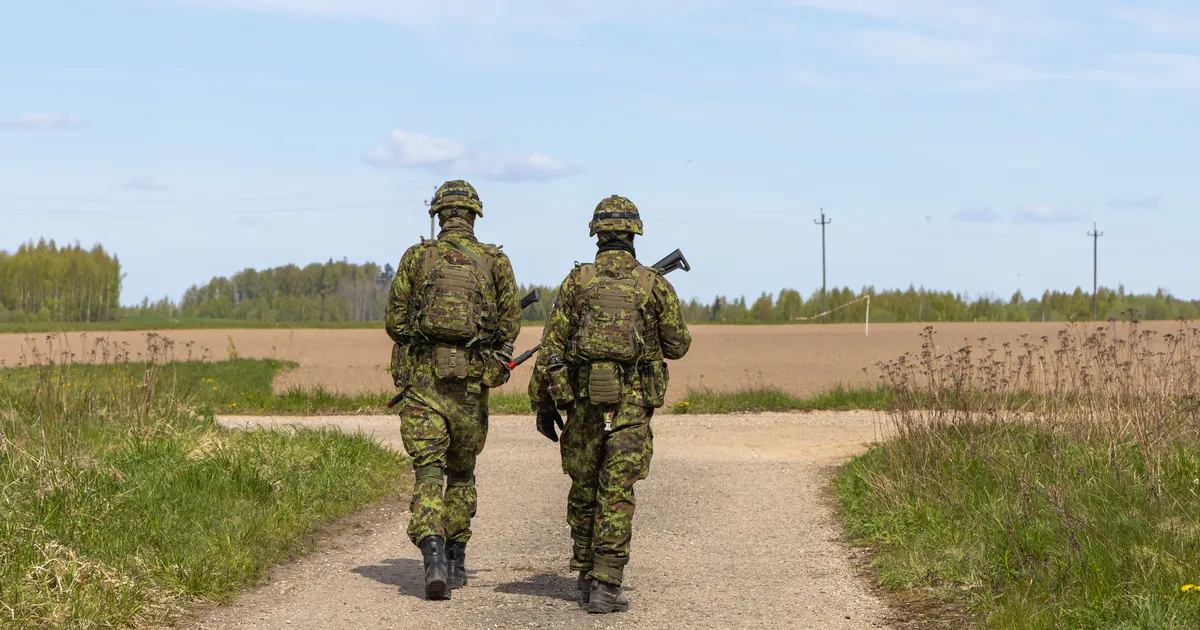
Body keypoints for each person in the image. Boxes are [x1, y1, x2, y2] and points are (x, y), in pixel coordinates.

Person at [527, 195, 692, 614]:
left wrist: (543, 406)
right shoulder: (654, 285)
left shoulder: (577, 283)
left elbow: (551, 349)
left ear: (596, 233)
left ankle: (584, 576)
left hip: (582, 404)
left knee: (584, 488)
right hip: (631, 407)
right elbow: (678, 346)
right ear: (635, 232)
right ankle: (606, 584)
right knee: (616, 491)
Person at [385, 180, 520, 600]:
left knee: (428, 469)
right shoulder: (496, 261)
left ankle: (433, 555)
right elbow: (509, 326)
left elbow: (396, 321)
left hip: (423, 383)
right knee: (461, 475)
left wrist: (426, 346)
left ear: (438, 215)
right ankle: (457, 560)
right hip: (470, 386)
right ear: (475, 215)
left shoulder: (416, 258)